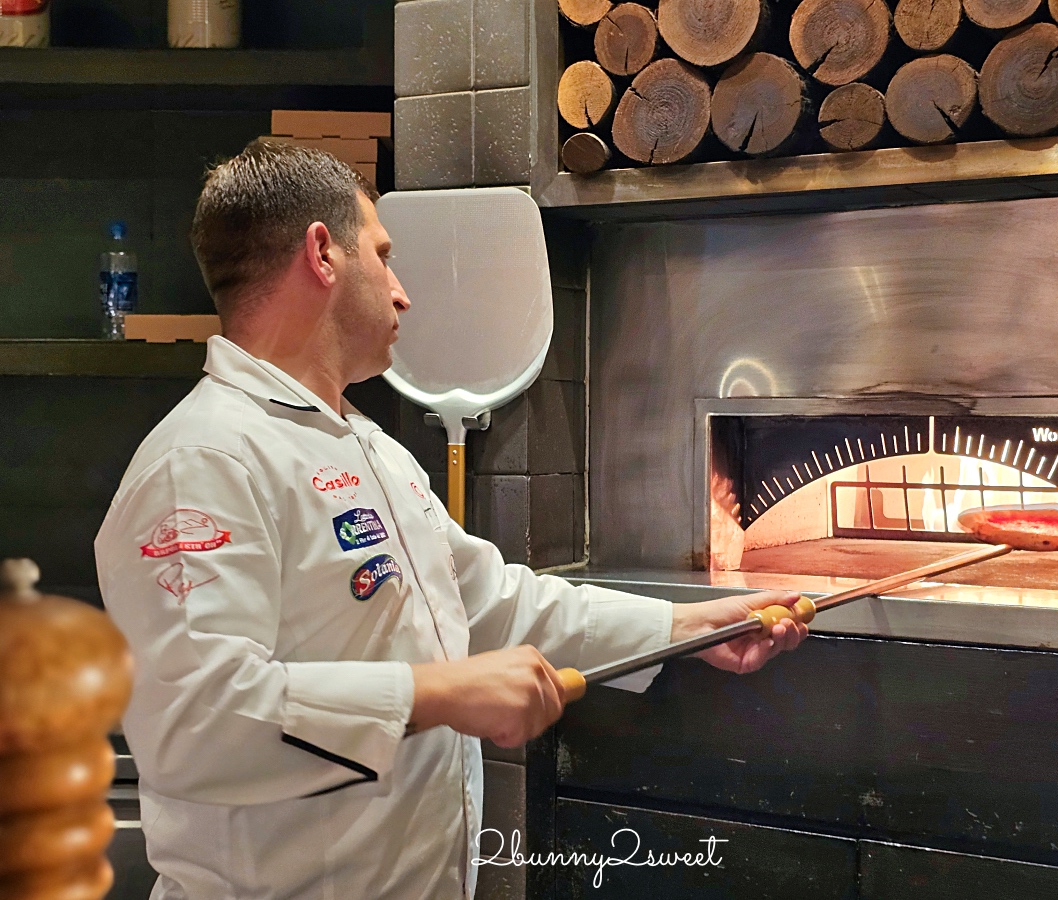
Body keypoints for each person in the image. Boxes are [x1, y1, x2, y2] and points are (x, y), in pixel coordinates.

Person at [94, 139, 807, 900]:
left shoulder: (368, 447)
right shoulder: (202, 462)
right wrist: (437, 693)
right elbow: (195, 723)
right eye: (383, 254)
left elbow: (491, 602)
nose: (401, 293)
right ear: (322, 254)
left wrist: (690, 630)